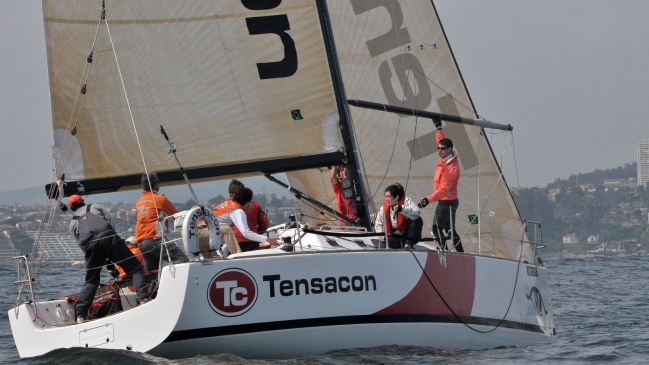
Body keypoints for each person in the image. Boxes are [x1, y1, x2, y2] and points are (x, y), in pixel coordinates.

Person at [68, 195, 149, 323]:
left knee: (91, 281)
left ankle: (80, 316)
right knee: (134, 268)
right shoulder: (95, 207)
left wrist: (98, 258)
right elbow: (110, 223)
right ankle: (144, 299)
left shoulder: (72, 223)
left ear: (71, 208)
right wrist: (113, 244)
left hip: (91, 246)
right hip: (109, 237)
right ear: (83, 202)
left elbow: (81, 244)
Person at [417, 118, 464, 252]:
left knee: (436, 228)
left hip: (446, 202)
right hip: (450, 201)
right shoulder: (445, 156)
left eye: (442, 149)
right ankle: (460, 252)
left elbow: (443, 190)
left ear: (449, 149)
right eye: (438, 148)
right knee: (449, 229)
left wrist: (427, 200)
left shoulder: (451, 169)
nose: (439, 150)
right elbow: (440, 140)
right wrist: (438, 127)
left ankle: (444, 251)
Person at [135, 172, 189, 272]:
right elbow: (178, 218)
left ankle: (154, 287)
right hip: (154, 239)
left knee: (152, 273)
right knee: (182, 260)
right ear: (156, 185)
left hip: (141, 243)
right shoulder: (160, 199)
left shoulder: (138, 202)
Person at [214, 187, 279, 252]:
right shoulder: (237, 211)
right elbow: (246, 233)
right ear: (248, 202)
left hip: (208, 231)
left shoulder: (229, 204)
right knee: (227, 230)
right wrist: (268, 239)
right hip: (208, 232)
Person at [224, 179, 270, 252]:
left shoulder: (224, 206)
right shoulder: (255, 205)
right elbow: (264, 223)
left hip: (234, 241)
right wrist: (256, 234)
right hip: (253, 241)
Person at [375, 183, 423, 249]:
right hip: (393, 237)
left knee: (418, 219)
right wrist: (380, 234)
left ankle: (408, 245)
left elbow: (417, 213)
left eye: (388, 197)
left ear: (396, 197)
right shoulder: (383, 208)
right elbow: (378, 223)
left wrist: (402, 209)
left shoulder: (407, 202)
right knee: (384, 243)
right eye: (385, 196)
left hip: (406, 236)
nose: (386, 199)